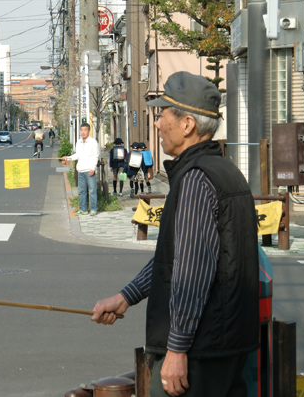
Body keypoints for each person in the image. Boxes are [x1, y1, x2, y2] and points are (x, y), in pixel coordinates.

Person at [91, 71, 259, 397]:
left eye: (163, 114)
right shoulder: (227, 171)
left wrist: (178, 349)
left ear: (187, 125)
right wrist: (126, 296)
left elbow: (191, 272)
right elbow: (179, 255)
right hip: (229, 346)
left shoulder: (196, 179)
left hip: (199, 352)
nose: (157, 124)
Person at [62, 123, 99, 216]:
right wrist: (68, 158)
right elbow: (77, 155)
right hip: (80, 170)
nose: (83, 132)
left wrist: (93, 168)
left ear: (89, 131)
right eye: (81, 130)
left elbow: (96, 156)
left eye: (85, 130)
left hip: (89, 170)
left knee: (92, 190)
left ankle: (93, 209)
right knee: (81, 191)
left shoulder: (93, 142)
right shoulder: (79, 142)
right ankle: (83, 209)